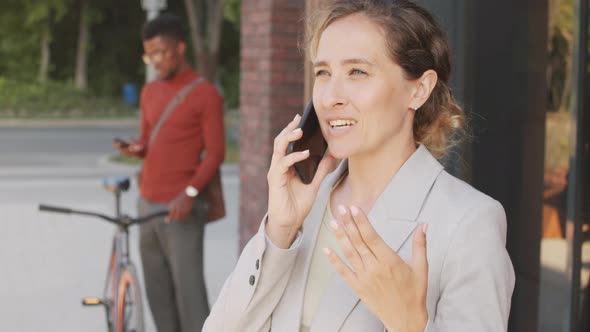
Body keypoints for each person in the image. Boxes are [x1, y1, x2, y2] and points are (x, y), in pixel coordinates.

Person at [204, 0, 515, 331]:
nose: (329, 97)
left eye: (357, 72)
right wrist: (279, 232)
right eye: (324, 72)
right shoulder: (305, 205)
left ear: (419, 90)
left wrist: (410, 324)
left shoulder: (468, 223)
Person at [114, 13, 225, 332]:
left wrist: (190, 193)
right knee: (157, 295)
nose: (156, 60)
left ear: (180, 48)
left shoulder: (206, 95)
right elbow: (148, 140)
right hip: (147, 205)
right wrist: (137, 149)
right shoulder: (149, 93)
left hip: (182, 210)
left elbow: (215, 153)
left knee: (190, 299)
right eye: (150, 54)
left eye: (162, 52)